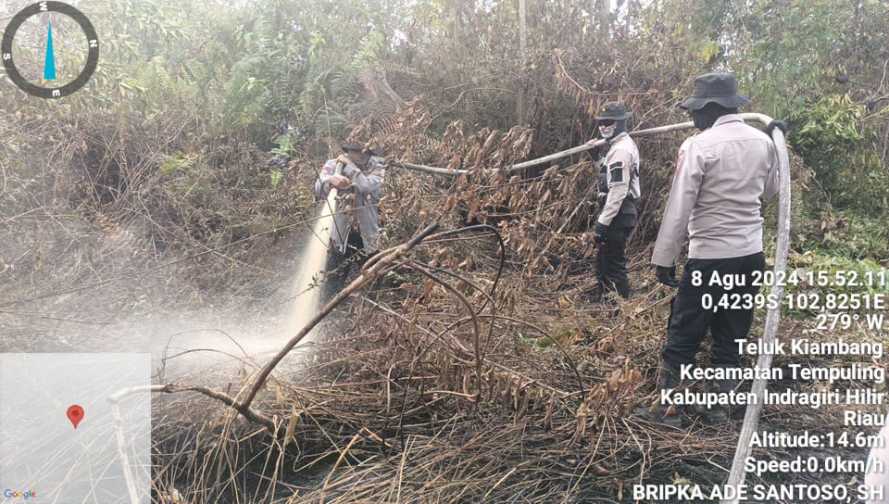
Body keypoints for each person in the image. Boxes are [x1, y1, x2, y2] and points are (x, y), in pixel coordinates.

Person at [648, 72, 782, 425]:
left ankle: (669, 408)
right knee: (732, 332)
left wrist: (664, 258)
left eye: (695, 110)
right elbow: (770, 191)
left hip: (710, 257)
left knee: (684, 331)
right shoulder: (764, 142)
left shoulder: (698, 146)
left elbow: (679, 208)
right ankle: (719, 408)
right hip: (750, 256)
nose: (692, 118)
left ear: (709, 109)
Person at [314, 142, 386, 301]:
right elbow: (318, 188)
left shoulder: (377, 167)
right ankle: (328, 311)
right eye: (355, 151)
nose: (360, 155)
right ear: (348, 150)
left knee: (373, 275)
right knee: (333, 276)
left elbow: (366, 186)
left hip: (367, 233)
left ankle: (370, 312)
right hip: (340, 233)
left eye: (364, 152)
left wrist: (350, 168)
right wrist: (331, 180)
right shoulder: (333, 165)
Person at [590, 102, 641, 301]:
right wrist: (596, 158)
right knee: (604, 257)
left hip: (619, 212)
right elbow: (608, 176)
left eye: (608, 122)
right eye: (601, 123)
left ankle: (621, 306)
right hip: (617, 211)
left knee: (614, 261)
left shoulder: (621, 150)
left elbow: (618, 190)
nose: (603, 126)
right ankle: (603, 299)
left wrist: (603, 223)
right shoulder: (616, 147)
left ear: (620, 123)